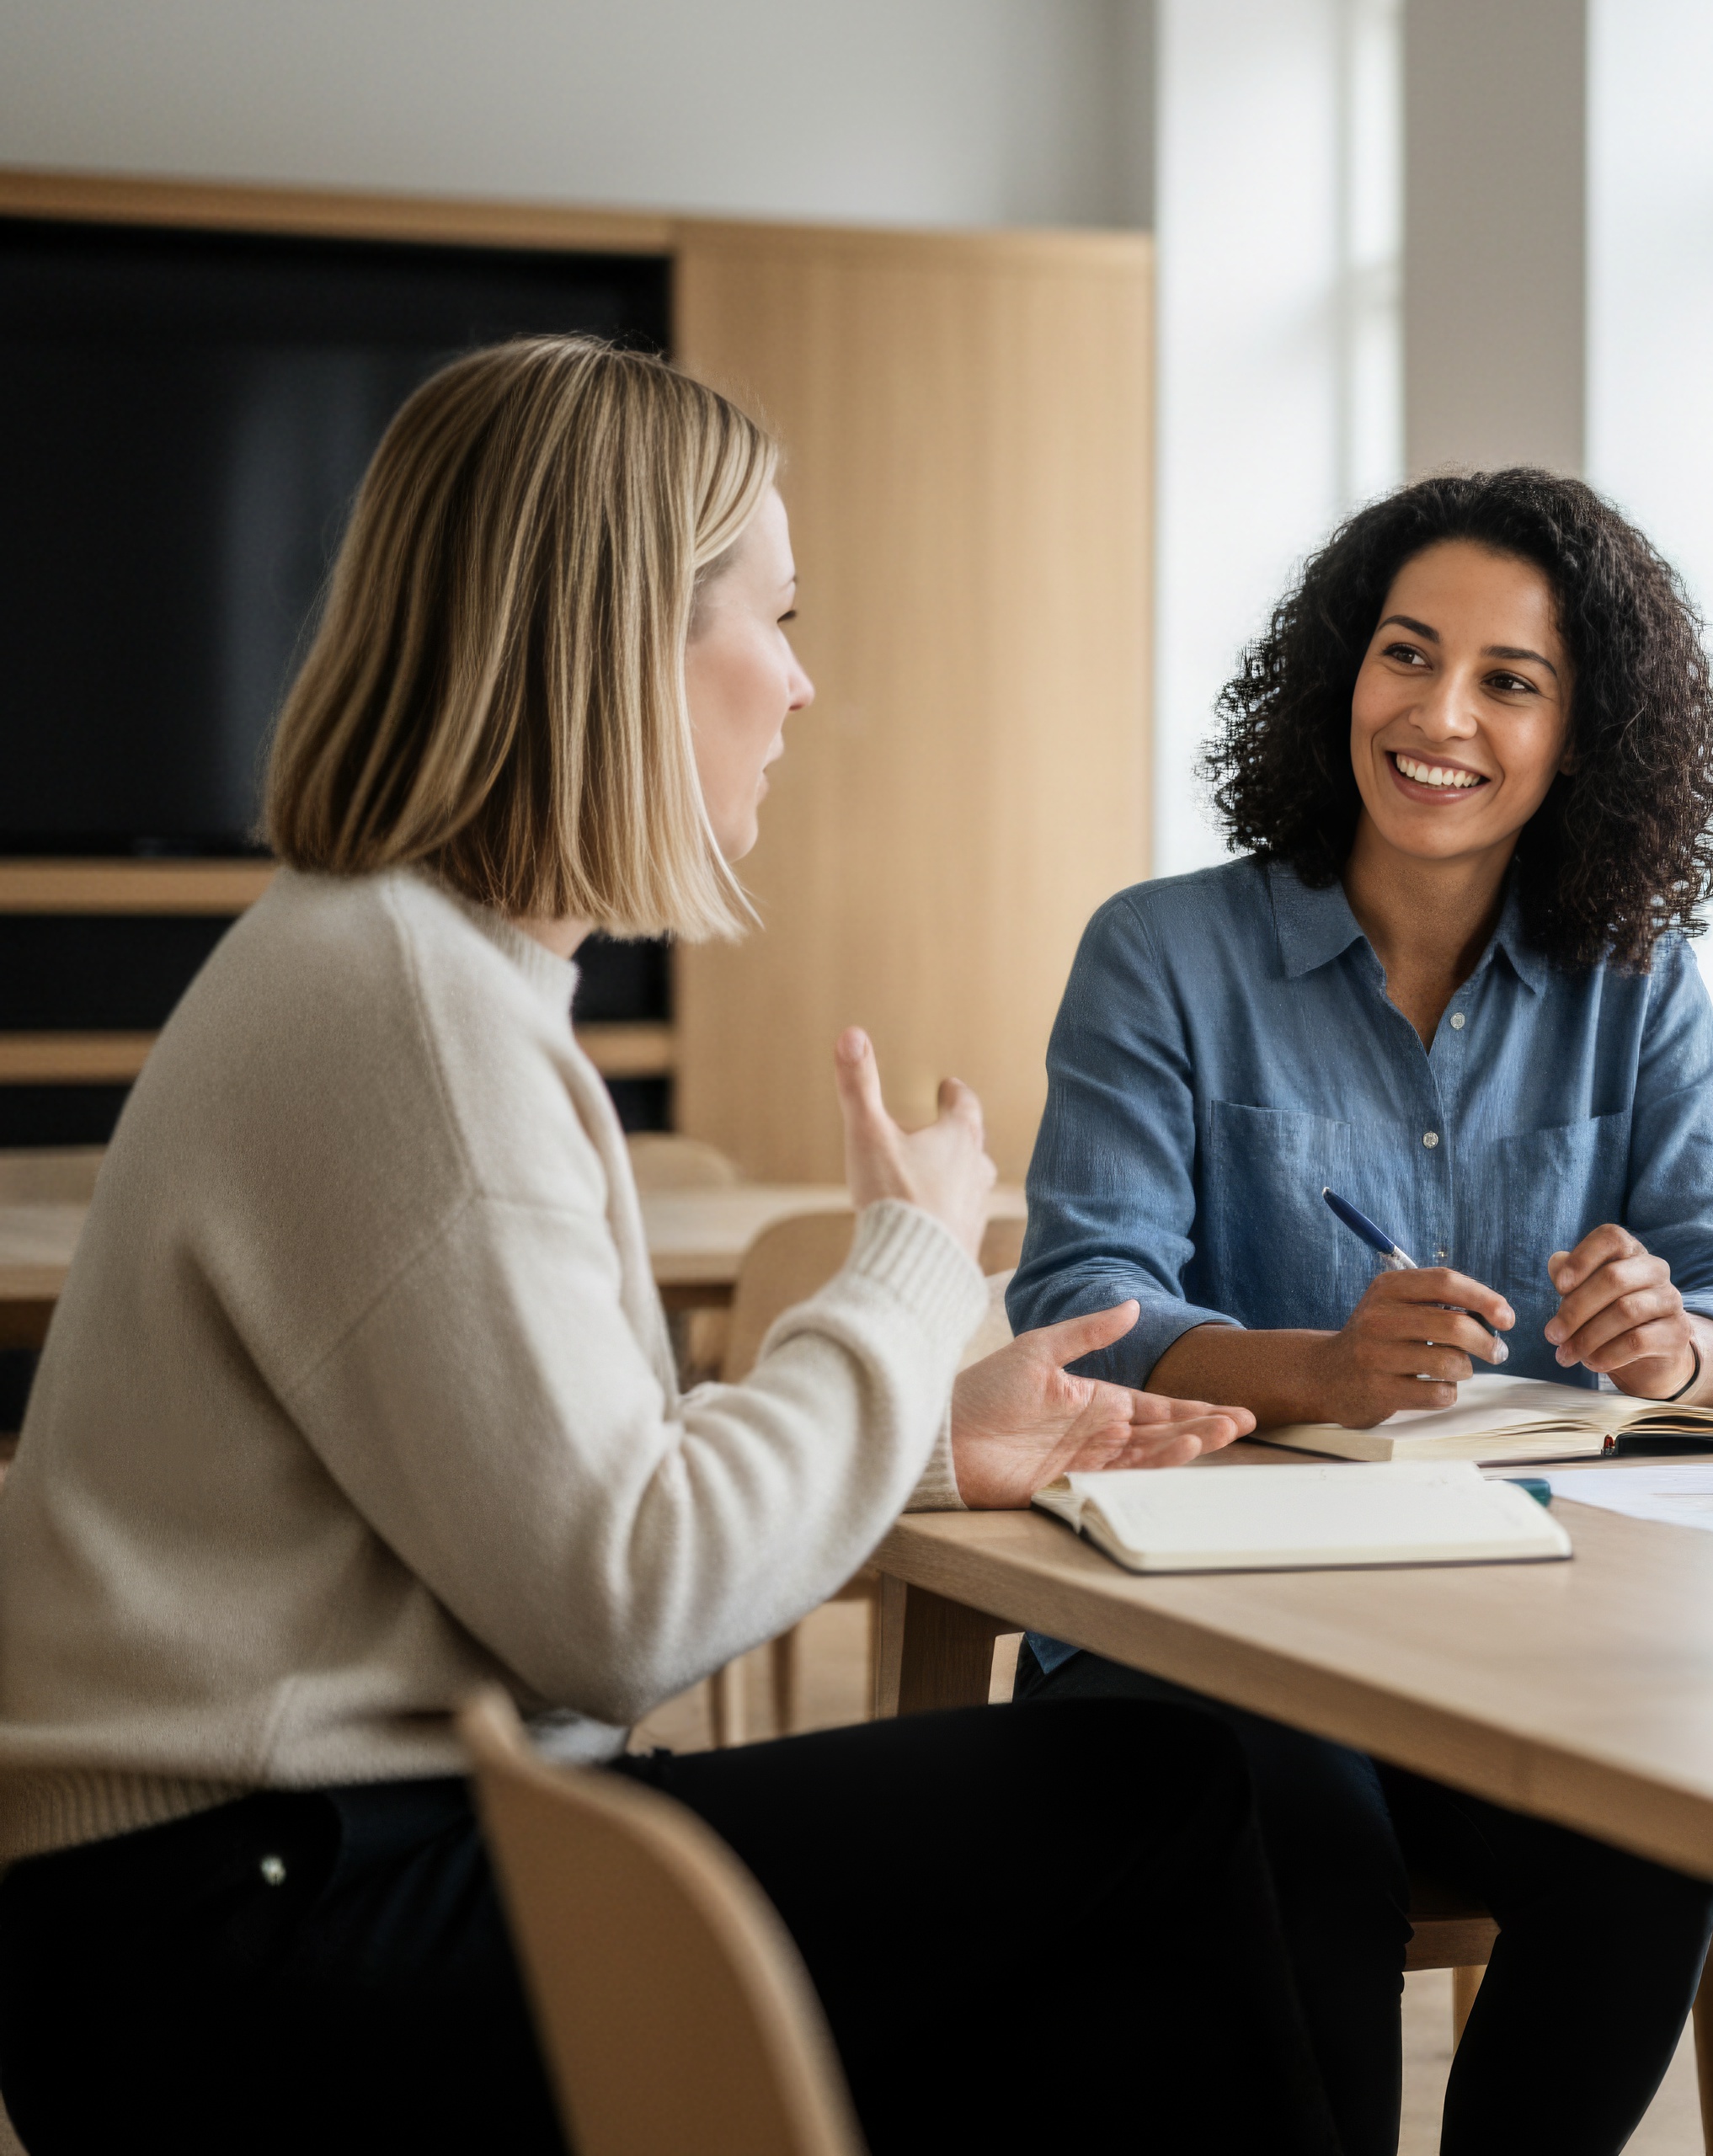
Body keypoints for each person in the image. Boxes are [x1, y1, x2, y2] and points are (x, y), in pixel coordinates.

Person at [0, 337, 1325, 2154]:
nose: (800, 681)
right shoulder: (414, 1008)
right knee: (1161, 1800)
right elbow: (623, 1605)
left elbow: (552, 1496)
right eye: (775, 617)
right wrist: (905, 1269)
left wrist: (925, 1441)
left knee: (1075, 1888)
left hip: (250, 1888)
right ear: (625, 643)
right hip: (251, 1923)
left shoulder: (400, 966)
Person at [1006, 467, 1713, 2153]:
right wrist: (1320, 1368)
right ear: (1340, 673)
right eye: (1407, 655)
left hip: (1509, 1628)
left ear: (1582, 738)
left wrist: (1683, 1344)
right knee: (1298, 1843)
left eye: (1510, 682)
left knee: (1652, 1842)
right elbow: (1083, 1304)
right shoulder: (1160, 954)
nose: (1441, 717)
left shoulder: (1639, 983)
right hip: (1193, 1631)